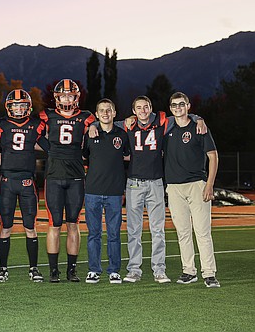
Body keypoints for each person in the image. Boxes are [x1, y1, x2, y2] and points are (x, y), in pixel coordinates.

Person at [101, 95, 204, 284]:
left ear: (151, 108)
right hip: (133, 183)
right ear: (133, 111)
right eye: (138, 108)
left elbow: (185, 115)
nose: (142, 111)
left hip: (156, 182)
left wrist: (199, 119)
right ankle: (134, 269)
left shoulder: (163, 121)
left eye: (146, 107)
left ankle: (159, 269)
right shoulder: (127, 124)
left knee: (158, 230)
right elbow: (106, 122)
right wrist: (92, 126)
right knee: (134, 229)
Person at [38, 79, 95, 283]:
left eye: (70, 95)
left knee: (73, 223)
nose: (67, 99)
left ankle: (72, 269)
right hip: (54, 176)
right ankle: (54, 270)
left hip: (76, 176)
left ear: (76, 97)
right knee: (54, 224)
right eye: (63, 95)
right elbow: (33, 136)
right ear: (57, 97)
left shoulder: (87, 118)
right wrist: (50, 149)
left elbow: (95, 138)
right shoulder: (47, 116)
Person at [0, 89, 47, 282]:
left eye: (22, 105)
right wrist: (2, 160)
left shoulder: (35, 125)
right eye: (15, 105)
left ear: (28, 107)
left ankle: (33, 268)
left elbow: (49, 146)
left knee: (30, 226)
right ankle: (2, 268)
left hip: (27, 181)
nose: (19, 108)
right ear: (9, 107)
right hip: (7, 180)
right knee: (5, 226)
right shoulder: (2, 125)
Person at [164, 92, 220, 288]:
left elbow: (213, 156)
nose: (178, 107)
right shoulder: (167, 128)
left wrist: (209, 184)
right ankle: (189, 270)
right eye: (174, 105)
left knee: (202, 231)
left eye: (182, 104)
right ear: (170, 108)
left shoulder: (199, 127)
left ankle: (209, 273)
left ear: (188, 106)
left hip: (197, 184)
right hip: (174, 187)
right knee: (183, 232)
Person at [82, 99, 130, 284]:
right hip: (92, 191)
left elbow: (127, 155)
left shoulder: (122, 135)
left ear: (114, 113)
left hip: (114, 192)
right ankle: (94, 269)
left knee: (114, 234)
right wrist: (92, 127)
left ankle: (114, 270)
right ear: (97, 113)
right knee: (93, 233)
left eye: (108, 110)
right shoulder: (90, 134)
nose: (105, 113)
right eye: (101, 110)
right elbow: (84, 156)